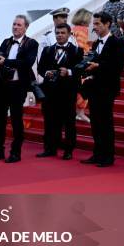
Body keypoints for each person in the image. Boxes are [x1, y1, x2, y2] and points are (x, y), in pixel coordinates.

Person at [0, 15, 38, 163]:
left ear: (26, 27)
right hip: (2, 85)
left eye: (19, 25)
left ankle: (15, 152)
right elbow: (0, 56)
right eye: (14, 24)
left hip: (18, 86)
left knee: (16, 119)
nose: (15, 27)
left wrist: (7, 61)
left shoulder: (31, 43)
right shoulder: (6, 42)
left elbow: (27, 63)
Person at [80, 12, 124, 167]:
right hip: (94, 88)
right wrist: (86, 70)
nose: (95, 27)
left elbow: (118, 67)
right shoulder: (95, 44)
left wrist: (98, 66)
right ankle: (97, 153)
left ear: (107, 24)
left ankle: (108, 156)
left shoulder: (117, 42)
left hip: (108, 88)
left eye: (98, 23)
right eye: (94, 24)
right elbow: (91, 64)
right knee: (96, 123)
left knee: (106, 122)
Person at [36, 23, 83, 160]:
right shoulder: (48, 50)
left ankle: (68, 150)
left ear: (69, 34)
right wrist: (46, 73)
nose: (60, 35)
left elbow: (80, 70)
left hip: (68, 92)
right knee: (50, 121)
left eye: (63, 33)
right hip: (50, 92)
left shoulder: (77, 51)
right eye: (57, 33)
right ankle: (50, 148)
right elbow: (40, 68)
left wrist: (68, 72)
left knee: (69, 122)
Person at [71, 8, 93, 123]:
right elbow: (80, 47)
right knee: (84, 89)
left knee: (76, 89)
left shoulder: (73, 29)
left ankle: (77, 112)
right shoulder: (83, 30)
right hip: (81, 65)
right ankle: (80, 113)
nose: (91, 21)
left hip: (73, 64)